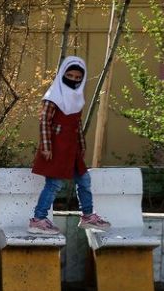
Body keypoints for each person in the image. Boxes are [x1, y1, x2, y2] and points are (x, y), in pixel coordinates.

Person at [28, 56, 111, 235]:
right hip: (57, 146)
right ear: (62, 74)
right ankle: (38, 219)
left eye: (77, 77)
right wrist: (46, 146)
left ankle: (88, 216)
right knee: (54, 184)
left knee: (84, 180)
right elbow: (44, 122)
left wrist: (81, 145)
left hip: (72, 148)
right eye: (70, 75)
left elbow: (77, 123)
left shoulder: (77, 97)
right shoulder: (53, 97)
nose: (73, 79)